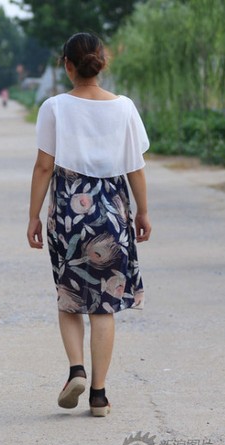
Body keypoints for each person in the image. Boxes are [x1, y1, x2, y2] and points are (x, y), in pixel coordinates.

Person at [26, 33, 151, 417]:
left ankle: (76, 369)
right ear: (102, 62)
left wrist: (33, 215)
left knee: (70, 297)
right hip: (113, 208)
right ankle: (98, 394)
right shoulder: (125, 107)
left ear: (67, 65)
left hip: (69, 209)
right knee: (104, 305)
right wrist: (143, 212)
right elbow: (135, 167)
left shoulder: (55, 107)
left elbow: (44, 165)